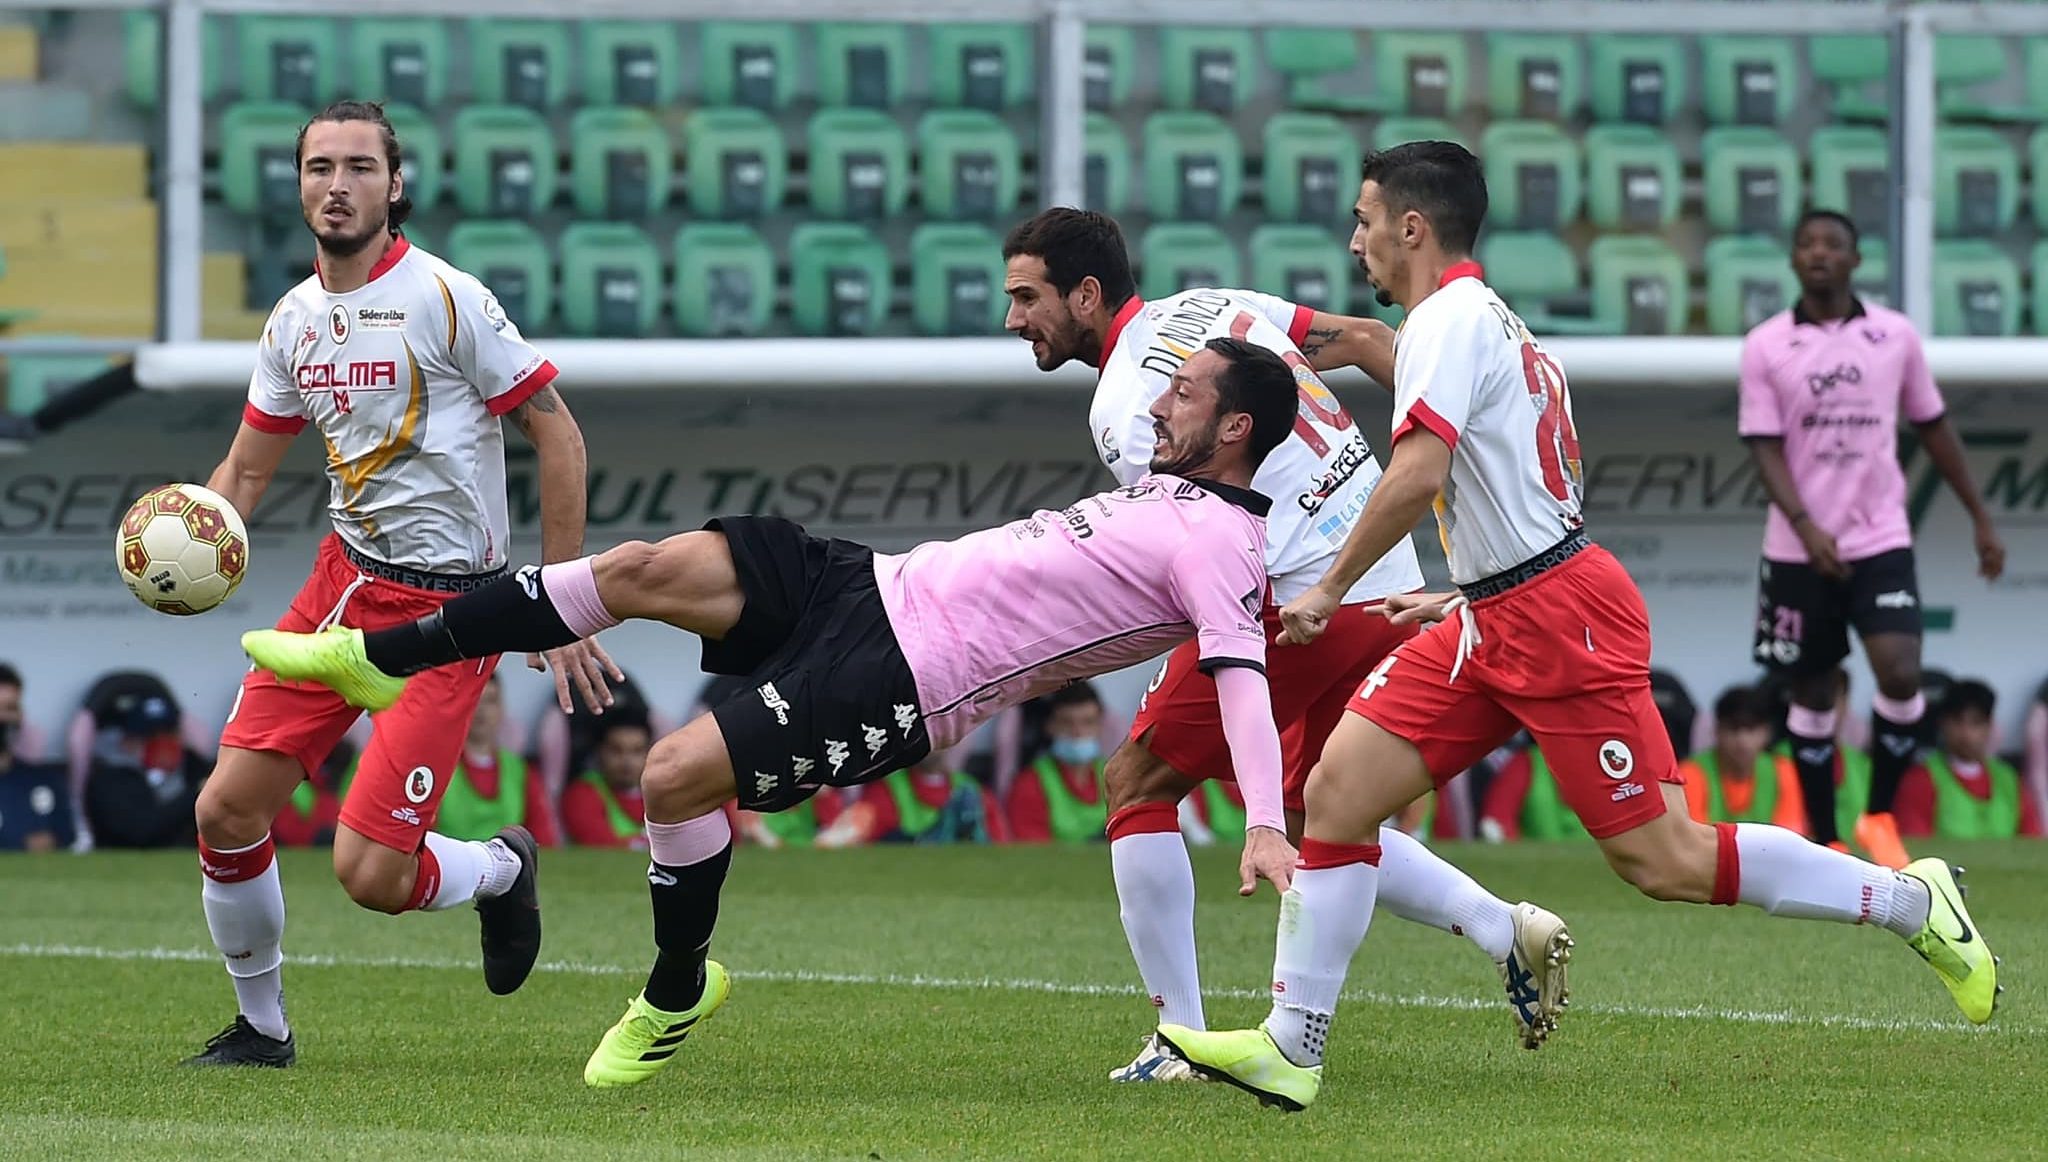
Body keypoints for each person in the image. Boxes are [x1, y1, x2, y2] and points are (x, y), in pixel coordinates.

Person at [1160, 142, 1999, 1113]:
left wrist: (1327, 590)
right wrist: (1461, 587)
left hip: (1557, 618)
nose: (1354, 242)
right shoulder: (1483, 325)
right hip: (1500, 608)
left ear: (1411, 227)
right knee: (1336, 794)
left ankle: (1910, 901)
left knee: (1664, 859)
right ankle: (1289, 1049)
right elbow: (1503, 468)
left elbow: (1420, 475)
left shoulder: (1446, 320)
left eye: (1362, 220)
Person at [242, 336, 1307, 1088]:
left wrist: (1262, 814)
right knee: (639, 565)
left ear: (1235, 426)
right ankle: (373, 657)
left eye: (1186, 391)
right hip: (866, 580)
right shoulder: (1166, 487)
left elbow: (1241, 675)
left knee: (668, 775)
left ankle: (673, 988)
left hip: (906, 679)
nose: (1160, 401)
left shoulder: (1223, 544)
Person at [1002, 207, 1564, 1076]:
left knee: (1137, 781)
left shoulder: (1127, 409)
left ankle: (1178, 1040)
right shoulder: (1213, 304)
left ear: (1086, 293)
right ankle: (1502, 928)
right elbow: (1376, 340)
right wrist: (1442, 460)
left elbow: (1198, 542)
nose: (1014, 321)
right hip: (1384, 578)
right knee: (1321, 809)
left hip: (1303, 598)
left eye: (1027, 298)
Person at [184, 99, 619, 1068]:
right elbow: (246, 473)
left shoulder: (444, 296)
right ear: (297, 185)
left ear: (395, 184)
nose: (335, 186)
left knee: (371, 873)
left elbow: (558, 431)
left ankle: (503, 870)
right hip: (345, 589)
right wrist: (195, 530)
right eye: (317, 168)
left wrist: (557, 598)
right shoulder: (293, 319)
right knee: (224, 810)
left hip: (450, 615)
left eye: (357, 168)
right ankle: (262, 1028)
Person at [1741, 209, 2006, 869]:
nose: (1819, 253)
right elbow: (1765, 448)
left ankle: (1880, 816)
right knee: (1810, 690)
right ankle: (1825, 836)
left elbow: (1934, 426)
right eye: (1806, 244)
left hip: (1880, 537)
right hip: (1797, 547)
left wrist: (1979, 514)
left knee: (1901, 670)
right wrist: (1806, 526)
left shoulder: (1894, 336)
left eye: (1833, 244)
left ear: (1857, 259)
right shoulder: (1767, 345)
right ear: (1794, 261)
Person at [1895, 680, 2041, 839]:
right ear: (1943, 724)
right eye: (1957, 722)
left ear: (1990, 726)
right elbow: (1915, 849)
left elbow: (2033, 842)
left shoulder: (2009, 780)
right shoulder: (1920, 780)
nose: (1966, 733)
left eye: (1976, 722)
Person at [437, 675, 562, 846]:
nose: (481, 710)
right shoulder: (437, 768)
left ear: (502, 709)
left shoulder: (521, 772)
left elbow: (545, 840)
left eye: (490, 701)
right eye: (474, 699)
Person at [1680, 685, 1807, 833]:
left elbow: (1789, 839)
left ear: (1767, 732)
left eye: (1751, 729)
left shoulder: (1783, 771)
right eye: (1733, 729)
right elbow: (1694, 840)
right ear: (1717, 731)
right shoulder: (1691, 773)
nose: (1742, 740)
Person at [1004, 684, 1111, 845]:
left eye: (1088, 722)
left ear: (1100, 726)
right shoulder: (1030, 784)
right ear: (1050, 726)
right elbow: (1032, 855)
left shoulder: (1116, 777)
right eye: (1067, 723)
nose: (1078, 732)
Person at [0, 664, 73, 853]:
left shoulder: (43, 780)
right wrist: (20, 844)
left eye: (10, 708)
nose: (2, 718)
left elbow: (65, 834)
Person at [560, 711, 657, 848]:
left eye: (637, 751)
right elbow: (600, 845)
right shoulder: (582, 793)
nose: (627, 762)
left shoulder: (662, 793)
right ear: (600, 751)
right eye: (616, 750)